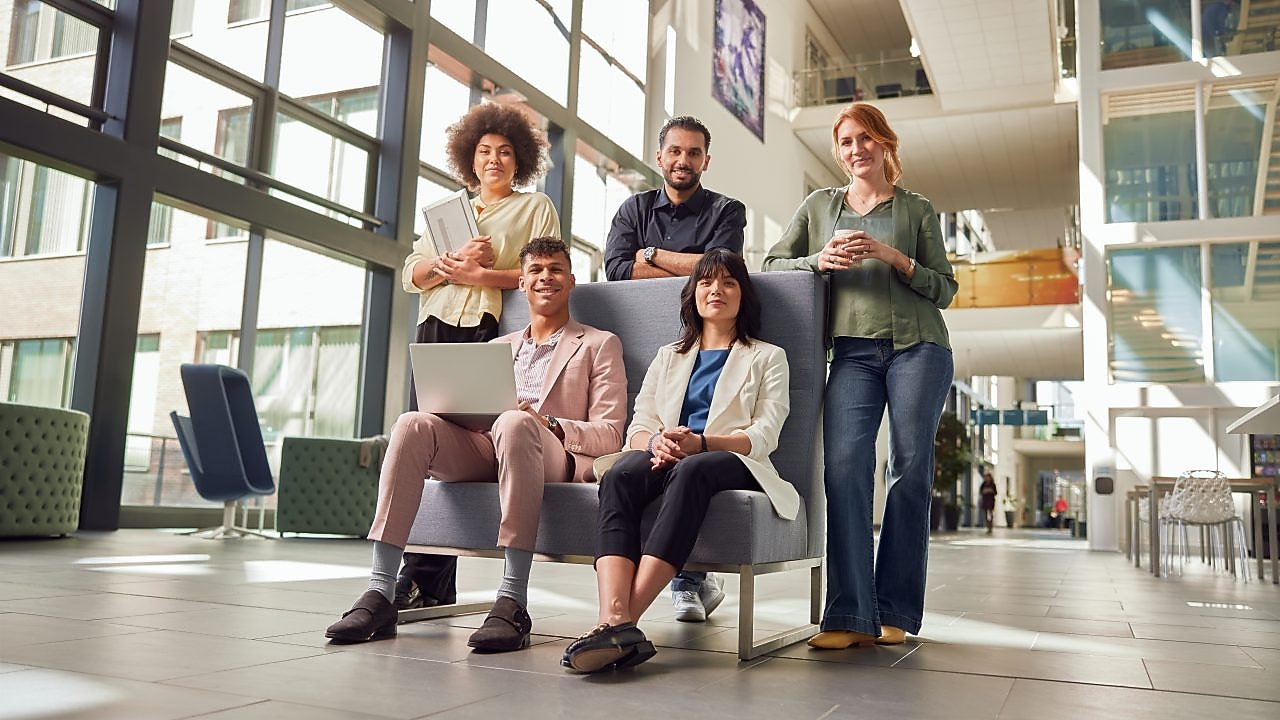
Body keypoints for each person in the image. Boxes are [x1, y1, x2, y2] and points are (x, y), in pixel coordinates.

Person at [326, 238, 627, 651]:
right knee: (412, 422)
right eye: (536, 270)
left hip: (549, 452)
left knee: (516, 422)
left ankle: (512, 600)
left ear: (571, 281)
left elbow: (611, 433)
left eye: (555, 269)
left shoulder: (599, 343)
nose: (545, 277)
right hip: (487, 445)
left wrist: (548, 422)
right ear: (522, 282)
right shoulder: (496, 348)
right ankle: (379, 593)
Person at [763, 102, 957, 650]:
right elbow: (774, 265)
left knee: (909, 469)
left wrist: (895, 258)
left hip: (919, 348)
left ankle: (893, 609)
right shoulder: (819, 207)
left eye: (866, 138)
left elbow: (945, 288)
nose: (856, 149)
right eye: (846, 141)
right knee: (844, 469)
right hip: (850, 354)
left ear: (884, 143)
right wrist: (818, 260)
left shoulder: (917, 210)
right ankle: (849, 614)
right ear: (839, 150)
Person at [562, 249, 794, 673]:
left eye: (728, 282)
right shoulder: (669, 355)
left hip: (730, 460)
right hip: (666, 454)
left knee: (691, 469)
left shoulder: (767, 356)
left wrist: (701, 443)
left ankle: (620, 624)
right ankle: (613, 619)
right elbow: (640, 422)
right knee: (619, 473)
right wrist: (655, 442)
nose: (716, 290)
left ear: (744, 295)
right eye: (705, 282)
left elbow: (764, 435)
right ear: (693, 293)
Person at [397, 102, 560, 613]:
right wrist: (449, 267)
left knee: (471, 450)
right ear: (470, 156)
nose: (494, 160)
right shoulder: (447, 210)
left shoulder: (534, 208)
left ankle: (492, 577)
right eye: (485, 151)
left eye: (505, 152)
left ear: (521, 160)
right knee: (420, 447)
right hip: (434, 328)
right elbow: (412, 273)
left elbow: (540, 271)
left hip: (486, 332)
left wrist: (480, 275)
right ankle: (423, 575)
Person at [603, 115, 747, 622]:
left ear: (706, 160)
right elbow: (616, 270)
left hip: (711, 341)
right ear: (660, 157)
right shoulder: (633, 208)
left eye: (694, 153)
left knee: (693, 441)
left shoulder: (728, 209)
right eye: (675, 151)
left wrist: (652, 254)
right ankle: (668, 586)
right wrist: (689, 261)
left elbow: (724, 264)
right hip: (646, 346)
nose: (683, 160)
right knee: (647, 452)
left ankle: (685, 581)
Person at [979, 469, 997, 534]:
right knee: (986, 514)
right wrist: (985, 491)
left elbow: (995, 492)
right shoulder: (983, 484)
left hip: (991, 501)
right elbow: (980, 491)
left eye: (988, 477)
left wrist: (991, 491)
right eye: (986, 477)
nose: (987, 478)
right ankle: (987, 526)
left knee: (991, 513)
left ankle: (990, 526)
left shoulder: (993, 484)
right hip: (985, 501)